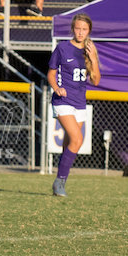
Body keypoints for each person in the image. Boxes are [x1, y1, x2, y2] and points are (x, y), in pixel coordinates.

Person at [47, 13, 100, 197]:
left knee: (70, 142)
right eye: (78, 28)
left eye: (84, 29)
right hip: (63, 100)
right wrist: (57, 88)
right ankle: (59, 182)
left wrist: (93, 58)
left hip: (80, 103)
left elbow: (96, 80)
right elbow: (51, 74)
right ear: (72, 29)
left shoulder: (90, 50)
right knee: (77, 139)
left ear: (89, 31)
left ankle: (60, 180)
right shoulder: (62, 48)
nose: (80, 32)